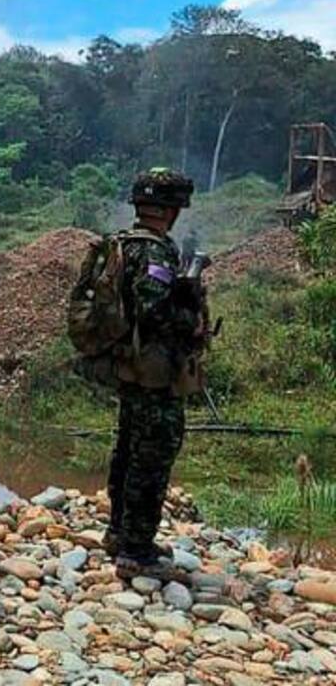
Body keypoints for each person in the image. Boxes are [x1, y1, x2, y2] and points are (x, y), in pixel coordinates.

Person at [103, 168, 207, 578]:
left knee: (128, 450)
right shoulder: (154, 253)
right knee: (152, 457)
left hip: (132, 368)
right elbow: (152, 310)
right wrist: (189, 316)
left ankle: (119, 533)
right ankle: (136, 550)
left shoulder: (123, 245)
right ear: (170, 211)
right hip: (154, 373)